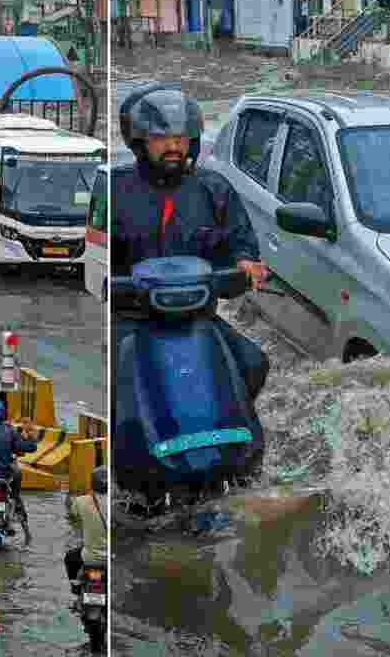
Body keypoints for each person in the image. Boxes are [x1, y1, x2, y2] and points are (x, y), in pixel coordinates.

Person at [111, 83, 270, 413]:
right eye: (162, 139)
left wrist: (245, 264)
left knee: (253, 364)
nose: (173, 146)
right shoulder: (115, 189)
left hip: (195, 319)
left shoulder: (214, 189)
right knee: (117, 387)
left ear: (193, 142)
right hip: (132, 321)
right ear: (141, 142)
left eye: (181, 139)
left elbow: (241, 242)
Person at [65, 465, 108, 590]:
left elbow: (72, 516)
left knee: (70, 557)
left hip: (91, 559)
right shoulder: (116, 505)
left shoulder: (81, 501)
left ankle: (76, 589)